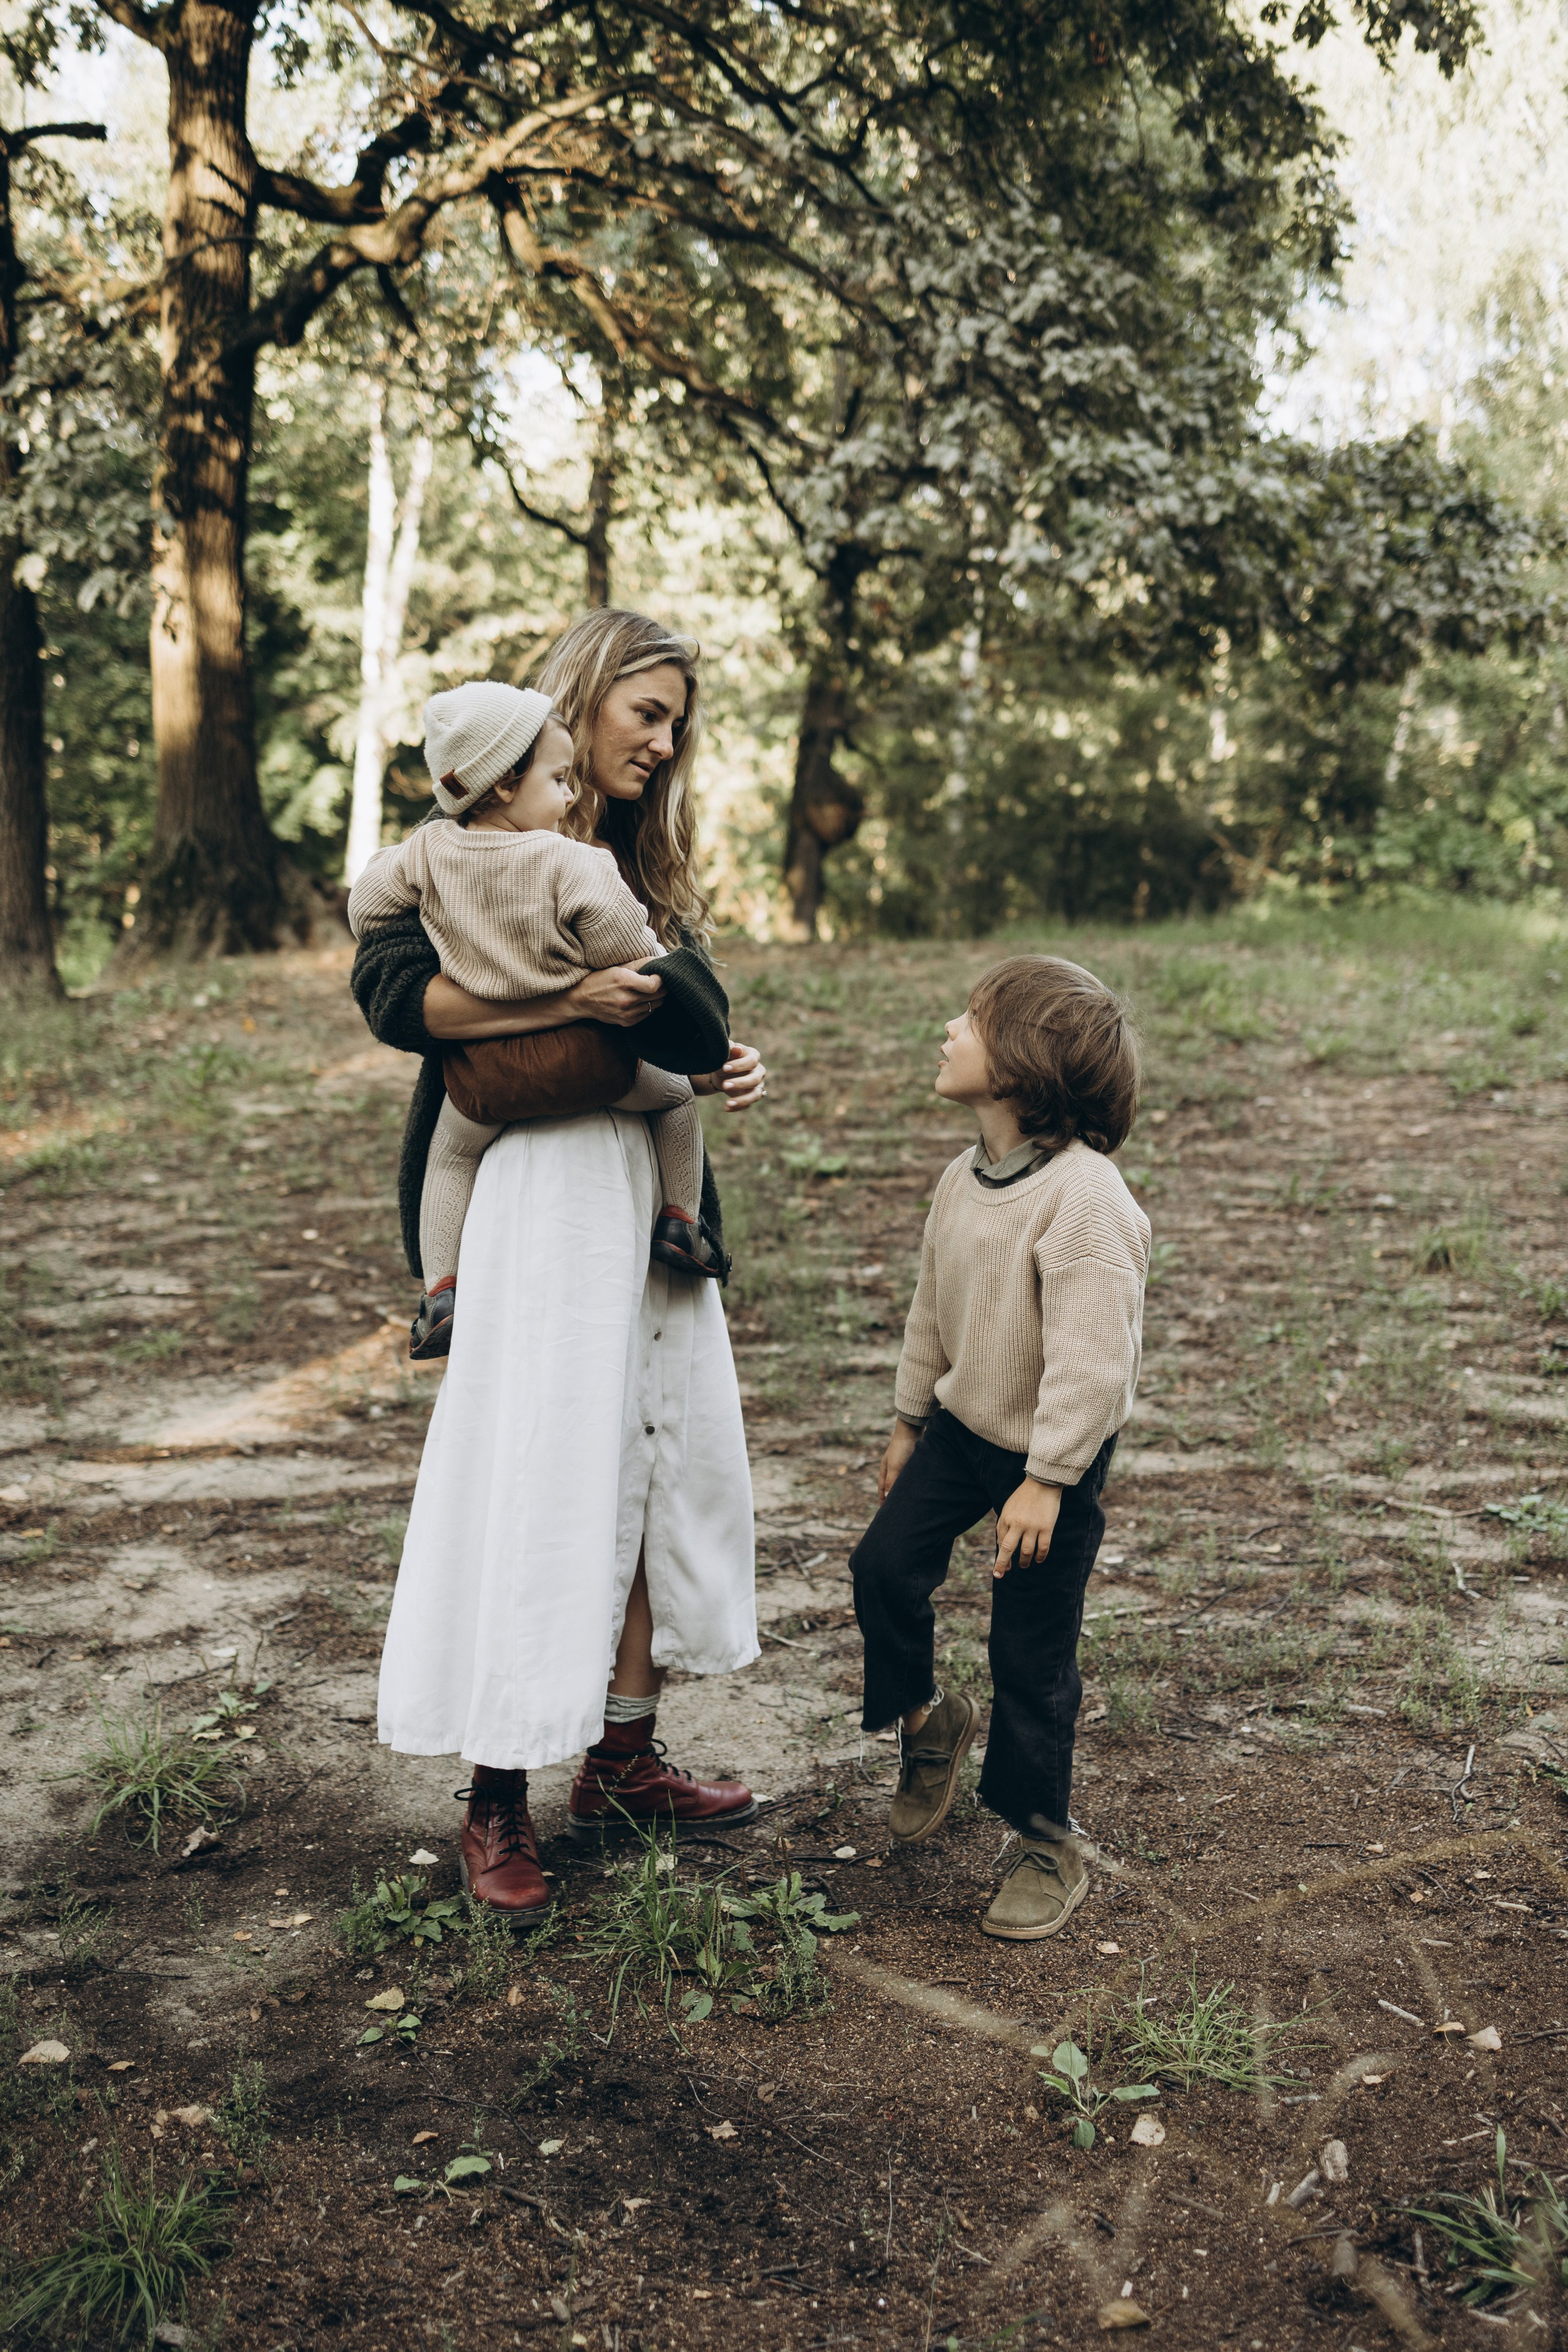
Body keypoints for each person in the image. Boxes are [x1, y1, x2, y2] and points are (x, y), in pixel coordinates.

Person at [353, 611, 768, 1917]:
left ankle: (623, 1756)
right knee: (534, 1463)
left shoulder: (630, 854)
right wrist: (560, 1005)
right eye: (644, 712)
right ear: (575, 707)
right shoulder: (473, 844)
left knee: (648, 1448)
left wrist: (720, 1058)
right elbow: (387, 997)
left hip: (639, 1183)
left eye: (674, 720)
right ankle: (496, 1793)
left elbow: (672, 1005)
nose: (665, 737)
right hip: (532, 1176)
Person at [849, 954, 1149, 1940]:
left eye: (972, 1019)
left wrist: (1051, 1481)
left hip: (1048, 1463)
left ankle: (1044, 1839)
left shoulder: (1086, 1198)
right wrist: (905, 1425)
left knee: (1030, 1648)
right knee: (882, 1568)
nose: (950, 1029)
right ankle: (929, 1721)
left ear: (1023, 1061)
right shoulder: (961, 1180)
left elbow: (1094, 1363)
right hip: (959, 1430)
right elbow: (932, 1312)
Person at [347, 682, 720, 1365]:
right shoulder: (575, 862)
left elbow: (366, 909)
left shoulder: (424, 854)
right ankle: (683, 1222)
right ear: (501, 785)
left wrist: (440, 918)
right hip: (589, 1065)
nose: (570, 795)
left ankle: (439, 1292)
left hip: (483, 1080)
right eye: (557, 779)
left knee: (450, 1156)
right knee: (672, 1101)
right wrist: (646, 974)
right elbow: (627, 955)